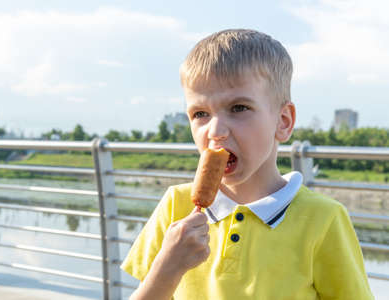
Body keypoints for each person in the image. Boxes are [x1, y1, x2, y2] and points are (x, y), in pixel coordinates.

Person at [121, 29, 373, 299]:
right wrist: (167, 268)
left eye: (238, 108)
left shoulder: (324, 218)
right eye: (200, 114)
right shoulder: (176, 206)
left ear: (283, 121)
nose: (215, 130)